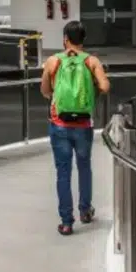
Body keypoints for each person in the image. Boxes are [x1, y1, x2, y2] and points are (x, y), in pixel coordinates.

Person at [40, 20, 110, 236]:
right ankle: (85, 211)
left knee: (63, 172)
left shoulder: (53, 61)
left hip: (59, 124)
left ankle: (66, 222)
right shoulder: (91, 61)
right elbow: (105, 86)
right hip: (83, 126)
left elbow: (45, 91)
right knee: (84, 167)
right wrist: (92, 91)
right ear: (83, 39)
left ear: (65, 39)